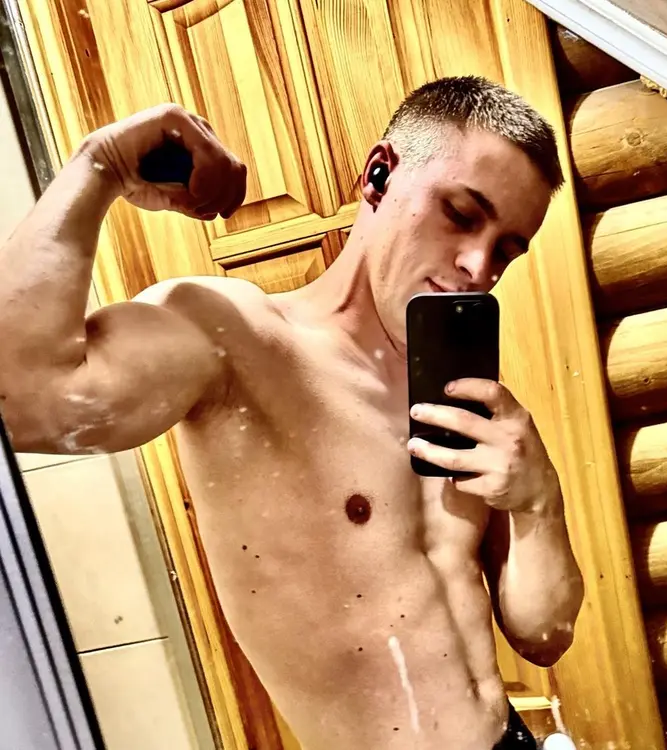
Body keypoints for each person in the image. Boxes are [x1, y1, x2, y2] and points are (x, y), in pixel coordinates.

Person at [0, 76, 583, 750]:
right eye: (460, 213)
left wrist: (538, 500)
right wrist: (101, 165)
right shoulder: (236, 342)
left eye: (506, 250)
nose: (479, 266)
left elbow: (544, 637)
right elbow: (21, 402)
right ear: (379, 175)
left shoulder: (462, 397)